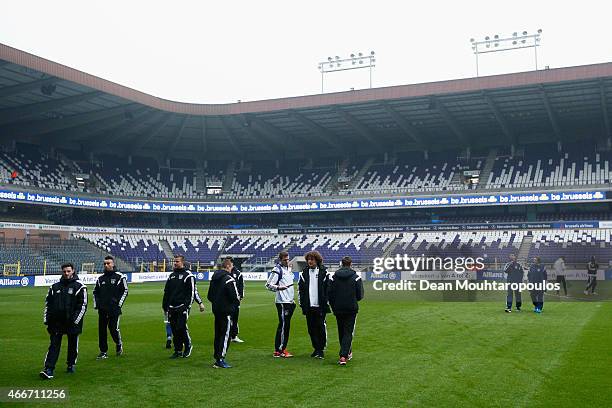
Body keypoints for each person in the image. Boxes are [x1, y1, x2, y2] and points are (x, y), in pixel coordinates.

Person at [39, 263, 87, 379]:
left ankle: (71, 365)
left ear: (73, 271)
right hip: (56, 322)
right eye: (64, 271)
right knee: (54, 345)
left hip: (72, 322)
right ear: (62, 271)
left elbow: (83, 305)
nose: (66, 273)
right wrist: (47, 320)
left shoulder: (80, 286)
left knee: (72, 345)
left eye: (68, 271)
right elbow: (48, 304)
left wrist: (75, 320)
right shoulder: (54, 287)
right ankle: (49, 369)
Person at [327, 256, 364, 366]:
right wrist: (352, 300)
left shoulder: (334, 277)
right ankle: (343, 355)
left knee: (341, 331)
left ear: (341, 264)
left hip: (338, 308)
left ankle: (346, 352)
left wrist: (334, 304)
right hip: (351, 308)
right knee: (348, 332)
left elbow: (329, 293)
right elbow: (360, 295)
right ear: (350, 264)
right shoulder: (356, 277)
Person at [207, 258, 240, 368]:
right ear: (228, 267)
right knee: (225, 334)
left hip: (216, 310)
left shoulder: (214, 278)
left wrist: (217, 304)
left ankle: (217, 356)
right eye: (231, 267)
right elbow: (235, 297)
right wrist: (232, 307)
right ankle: (220, 359)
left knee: (218, 334)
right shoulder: (229, 279)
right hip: (226, 311)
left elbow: (209, 296)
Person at [94, 256, 128, 359]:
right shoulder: (100, 279)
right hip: (102, 309)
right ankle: (103, 351)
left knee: (113, 329)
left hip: (114, 309)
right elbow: (95, 292)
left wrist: (118, 304)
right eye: (104, 263)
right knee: (102, 331)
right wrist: (97, 305)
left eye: (108, 263)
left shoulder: (119, 277)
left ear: (113, 264)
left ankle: (118, 343)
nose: (106, 265)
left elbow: (125, 291)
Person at [162, 255, 196, 359]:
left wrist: (186, 306)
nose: (175, 263)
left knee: (181, 327)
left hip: (182, 307)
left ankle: (188, 346)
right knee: (174, 329)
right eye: (174, 261)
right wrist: (165, 305)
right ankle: (177, 350)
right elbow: (166, 292)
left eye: (177, 261)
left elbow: (191, 293)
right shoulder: (172, 275)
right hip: (172, 307)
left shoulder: (188, 275)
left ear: (182, 262)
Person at [298, 250, 331, 359]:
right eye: (308, 259)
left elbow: (328, 289)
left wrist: (326, 302)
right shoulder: (303, 273)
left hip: (320, 306)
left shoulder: (324, 272)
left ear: (317, 260)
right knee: (311, 329)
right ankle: (316, 348)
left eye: (312, 259)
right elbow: (300, 290)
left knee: (321, 328)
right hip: (309, 306)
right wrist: (302, 304)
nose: (310, 261)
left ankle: (321, 349)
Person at [265, 251, 295, 358]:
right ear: (280, 260)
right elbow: (268, 285)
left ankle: (279, 349)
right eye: (284, 260)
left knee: (284, 325)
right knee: (283, 326)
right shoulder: (277, 270)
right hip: (282, 302)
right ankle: (280, 350)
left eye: (288, 259)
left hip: (289, 301)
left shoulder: (288, 269)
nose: (287, 261)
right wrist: (278, 288)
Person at [165, 285, 205, 349]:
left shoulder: (176, 277)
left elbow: (167, 291)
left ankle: (171, 339)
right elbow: (194, 291)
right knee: (179, 324)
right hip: (178, 305)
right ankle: (181, 343)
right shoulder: (187, 278)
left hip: (174, 305)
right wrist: (200, 302)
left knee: (172, 322)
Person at [227, 258, 245, 343]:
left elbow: (241, 286)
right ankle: (226, 335)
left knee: (234, 318)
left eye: (229, 262)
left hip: (235, 300)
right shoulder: (224, 272)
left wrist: (240, 297)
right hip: (225, 299)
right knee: (225, 318)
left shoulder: (238, 273)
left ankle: (234, 336)